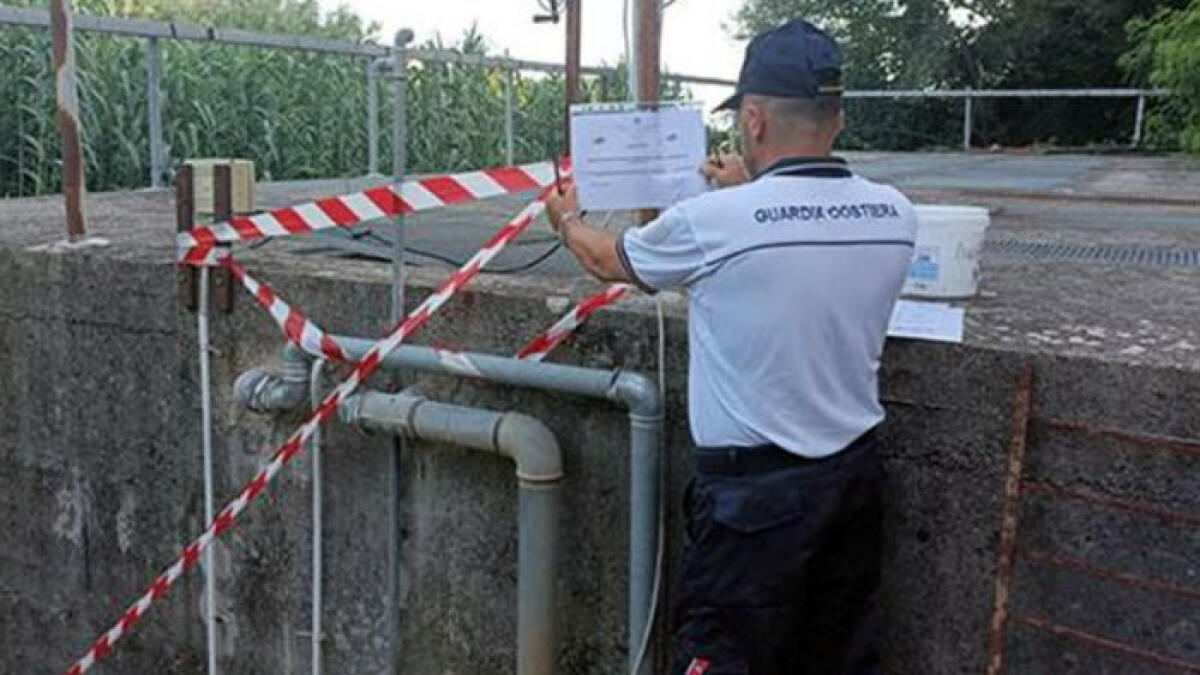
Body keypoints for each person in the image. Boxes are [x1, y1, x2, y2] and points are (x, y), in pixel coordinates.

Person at [544, 18, 917, 675]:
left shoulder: (713, 222)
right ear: (836, 119)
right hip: (853, 483)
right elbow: (804, 233)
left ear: (754, 118)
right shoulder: (894, 214)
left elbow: (606, 260)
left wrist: (567, 218)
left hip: (754, 506)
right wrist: (751, 190)